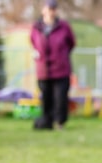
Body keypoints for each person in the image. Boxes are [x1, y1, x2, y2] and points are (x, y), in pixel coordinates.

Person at [30, 0, 75, 130]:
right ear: (43, 10)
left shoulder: (64, 26)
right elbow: (33, 42)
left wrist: (61, 55)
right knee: (46, 97)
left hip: (61, 69)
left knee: (60, 98)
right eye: (49, 8)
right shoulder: (36, 27)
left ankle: (60, 123)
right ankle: (46, 121)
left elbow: (71, 43)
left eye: (53, 8)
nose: (51, 11)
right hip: (43, 69)